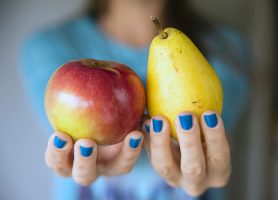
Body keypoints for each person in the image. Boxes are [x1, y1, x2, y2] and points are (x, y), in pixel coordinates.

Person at [20, 0, 250, 199]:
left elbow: (211, 136)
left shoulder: (227, 47)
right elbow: (66, 129)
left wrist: (210, 157)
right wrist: (102, 143)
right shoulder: (47, 47)